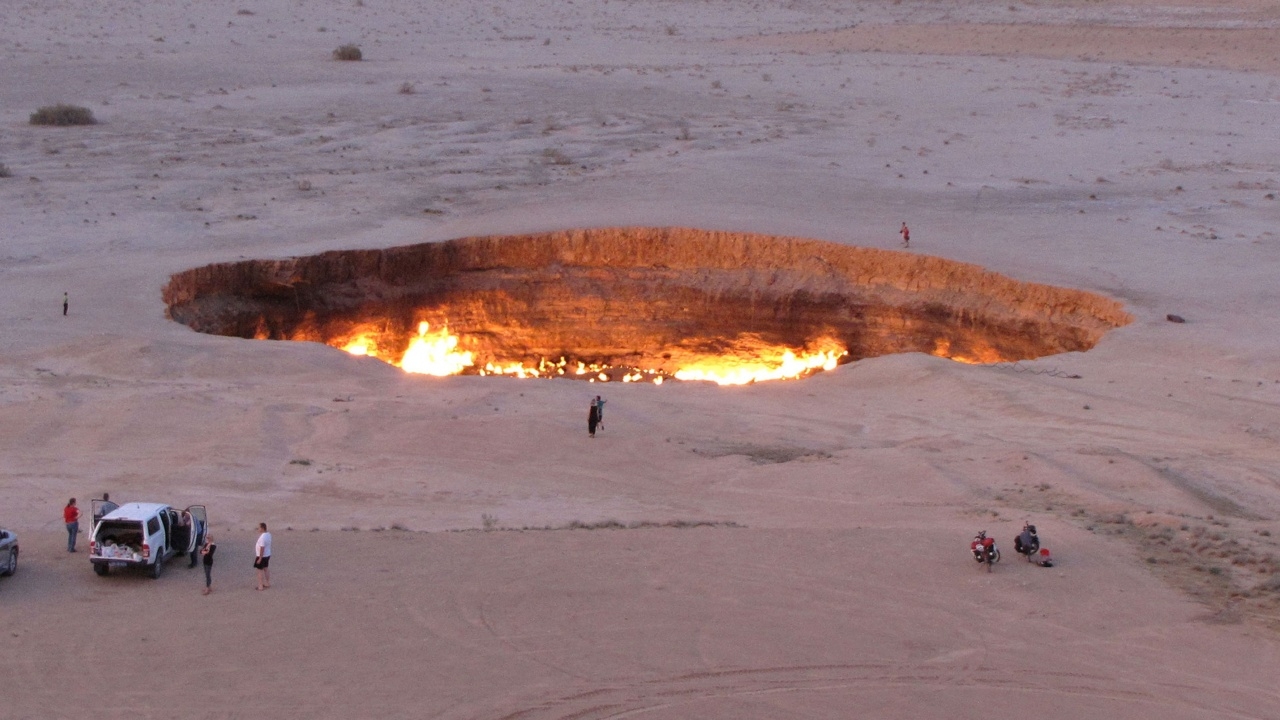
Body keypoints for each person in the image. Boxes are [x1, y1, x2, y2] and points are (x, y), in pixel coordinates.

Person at [254, 522, 272, 590]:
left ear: (262, 528)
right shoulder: (269, 534)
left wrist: (260, 559)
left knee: (259, 571)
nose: (258, 529)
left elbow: (262, 548)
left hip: (261, 556)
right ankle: (267, 583)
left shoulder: (262, 537)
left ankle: (260, 586)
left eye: (259, 528)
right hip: (267, 554)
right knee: (266, 568)